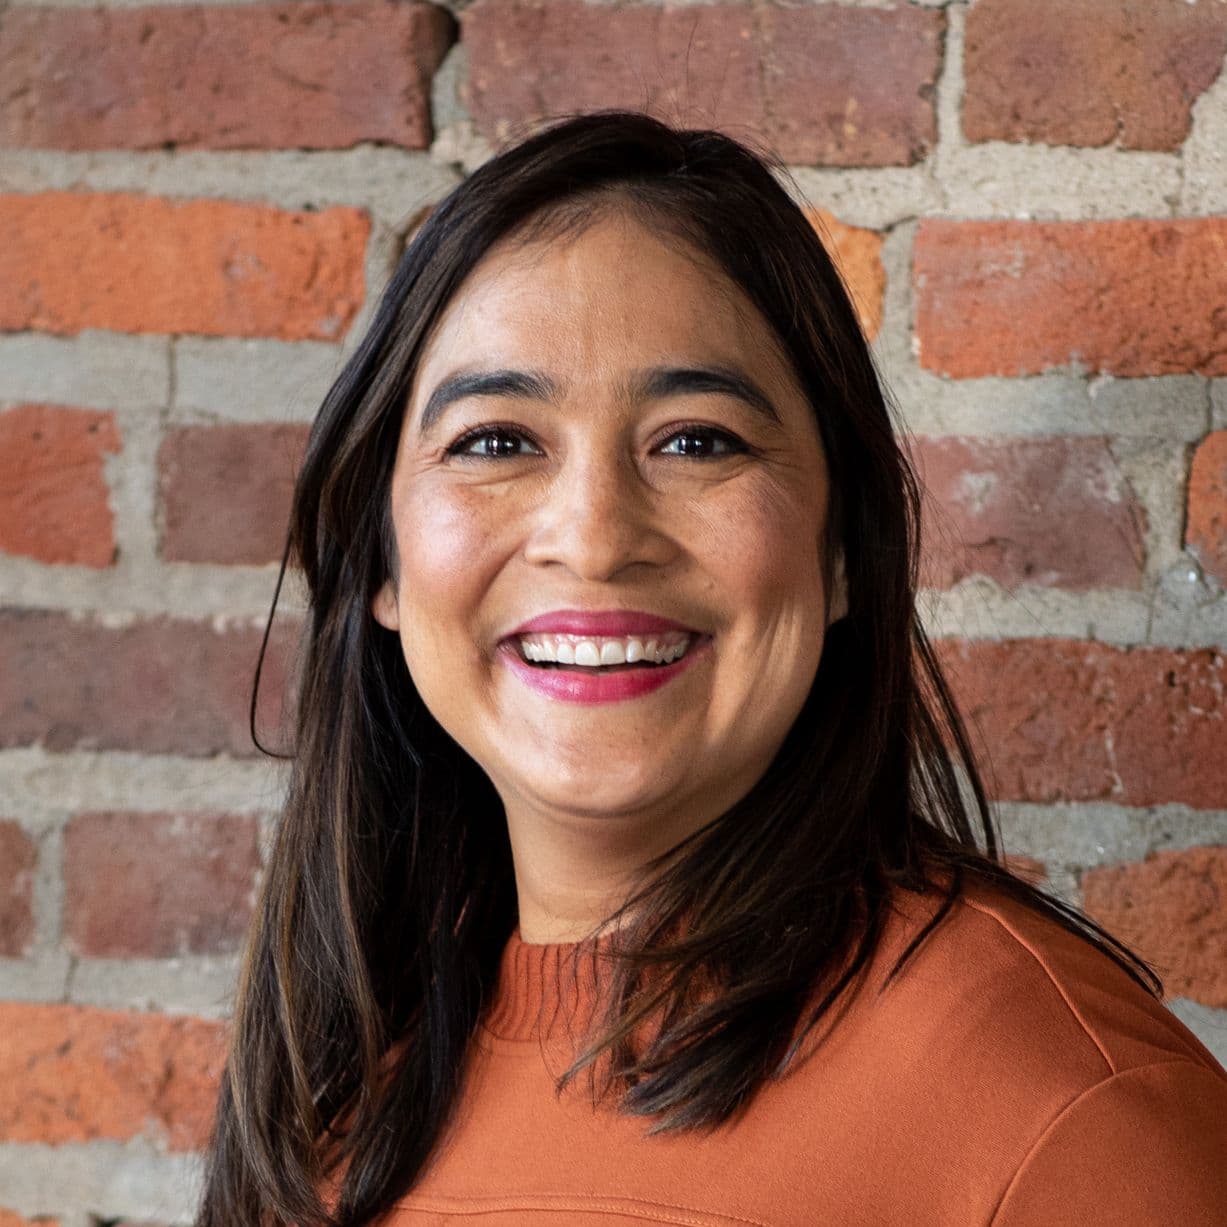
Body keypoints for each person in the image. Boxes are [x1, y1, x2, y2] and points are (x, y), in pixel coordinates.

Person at [195, 111, 1227, 1227]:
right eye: (496, 440)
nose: (594, 537)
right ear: (383, 561)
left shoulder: (1064, 1120)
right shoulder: (339, 1079)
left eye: (697, 440)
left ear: (841, 553)